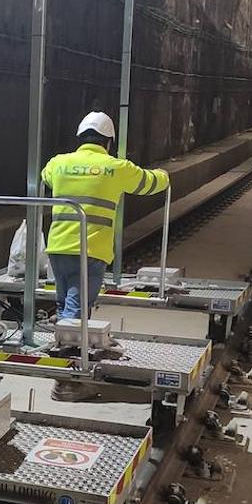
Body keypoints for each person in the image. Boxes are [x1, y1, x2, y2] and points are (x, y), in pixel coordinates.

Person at [43, 111, 169, 402]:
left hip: (58, 247)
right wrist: (165, 176)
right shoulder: (116, 168)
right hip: (90, 251)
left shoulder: (59, 163)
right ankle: (67, 382)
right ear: (108, 142)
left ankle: (70, 366)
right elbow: (149, 183)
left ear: (79, 138)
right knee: (76, 313)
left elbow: (46, 177)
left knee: (66, 307)